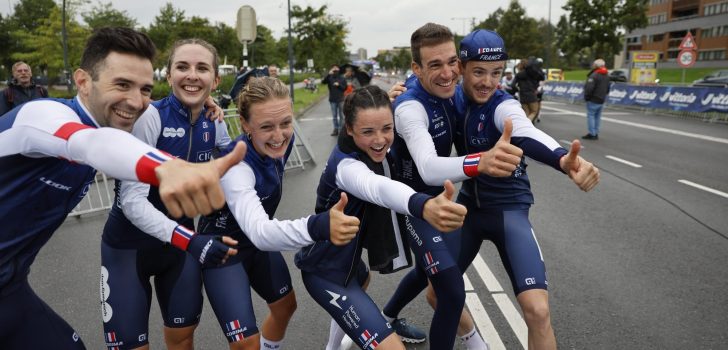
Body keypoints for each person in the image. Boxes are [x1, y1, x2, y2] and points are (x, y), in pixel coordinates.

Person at [0, 27, 245, 349]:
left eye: (144, 89)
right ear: (84, 81)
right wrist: (167, 167)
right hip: (122, 249)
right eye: (122, 84)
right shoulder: (43, 114)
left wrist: (199, 103)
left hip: (10, 286)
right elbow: (89, 142)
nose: (136, 101)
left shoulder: (132, 121)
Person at [389, 29, 600, 350]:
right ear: (464, 68)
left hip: (508, 211)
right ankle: (477, 343)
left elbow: (526, 131)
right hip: (469, 210)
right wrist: (394, 95)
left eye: (497, 73)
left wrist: (563, 160)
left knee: (537, 311)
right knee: (438, 292)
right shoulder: (451, 94)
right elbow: (420, 79)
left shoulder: (502, 104)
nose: (488, 82)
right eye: (478, 72)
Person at [381, 23, 522, 350]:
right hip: (410, 203)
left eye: (451, 62)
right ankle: (476, 344)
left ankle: (388, 316)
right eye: (434, 65)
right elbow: (429, 168)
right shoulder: (410, 107)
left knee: (427, 271)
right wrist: (481, 162)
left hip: (441, 201)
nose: (447, 73)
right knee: (451, 287)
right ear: (416, 68)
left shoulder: (453, 89)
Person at [295, 85, 467, 350]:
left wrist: (385, 100)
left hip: (351, 266)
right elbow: (378, 188)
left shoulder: (370, 145)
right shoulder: (347, 167)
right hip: (326, 271)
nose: (380, 140)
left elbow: (381, 128)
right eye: (368, 131)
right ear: (349, 129)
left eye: (387, 128)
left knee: (362, 280)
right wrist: (422, 205)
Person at [197, 76, 360, 350]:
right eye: (266, 127)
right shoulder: (236, 168)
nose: (279, 136)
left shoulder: (283, 140)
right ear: (246, 125)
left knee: (285, 306)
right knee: (246, 343)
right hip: (223, 252)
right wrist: (319, 226)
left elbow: (350, 136)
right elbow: (261, 233)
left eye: (286, 122)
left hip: (256, 248)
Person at [100, 38, 242, 350]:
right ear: (168, 75)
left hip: (178, 252)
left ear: (214, 80)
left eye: (202, 68)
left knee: (182, 339)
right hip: (129, 249)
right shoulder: (151, 117)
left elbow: (231, 169)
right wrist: (189, 239)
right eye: (182, 67)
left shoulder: (212, 119)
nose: (192, 75)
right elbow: (132, 202)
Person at [582, 58, 610, 140]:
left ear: (596, 66)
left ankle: (592, 133)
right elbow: (608, 87)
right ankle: (596, 132)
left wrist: (586, 97)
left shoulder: (594, 75)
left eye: (594, 64)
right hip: (602, 99)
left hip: (593, 99)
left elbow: (589, 88)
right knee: (597, 117)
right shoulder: (607, 75)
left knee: (591, 116)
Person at [512, 58, 544, 123]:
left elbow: (512, 85)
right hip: (531, 95)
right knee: (534, 111)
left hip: (522, 95)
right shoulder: (531, 73)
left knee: (526, 113)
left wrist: (517, 90)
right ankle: (527, 124)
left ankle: (526, 126)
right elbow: (540, 79)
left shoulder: (518, 74)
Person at [322, 64, 347, 136]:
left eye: (336, 69)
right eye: (334, 70)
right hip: (332, 99)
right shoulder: (330, 77)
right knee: (334, 116)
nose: (335, 71)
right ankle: (336, 129)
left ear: (339, 70)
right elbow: (323, 82)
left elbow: (345, 88)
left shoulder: (342, 78)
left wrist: (339, 85)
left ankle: (341, 129)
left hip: (341, 99)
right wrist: (328, 74)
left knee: (341, 115)